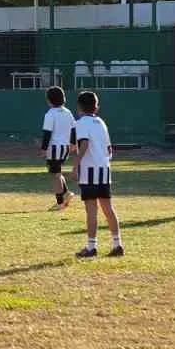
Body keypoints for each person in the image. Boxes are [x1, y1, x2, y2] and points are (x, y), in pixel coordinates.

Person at [71, 90, 121, 257]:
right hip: (104, 169)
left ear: (79, 107)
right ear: (96, 107)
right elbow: (109, 149)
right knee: (108, 208)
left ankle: (91, 247)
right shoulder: (101, 122)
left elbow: (84, 144)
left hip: (90, 170)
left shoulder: (81, 123)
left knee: (91, 209)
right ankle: (117, 244)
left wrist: (75, 164)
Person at [40, 85, 75, 211]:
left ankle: (60, 202)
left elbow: (47, 133)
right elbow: (74, 128)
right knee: (57, 172)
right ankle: (66, 193)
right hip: (64, 148)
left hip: (54, 148)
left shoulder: (50, 114)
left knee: (54, 175)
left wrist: (43, 149)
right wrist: (72, 143)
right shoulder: (67, 112)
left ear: (49, 100)